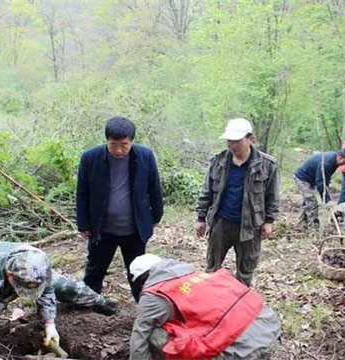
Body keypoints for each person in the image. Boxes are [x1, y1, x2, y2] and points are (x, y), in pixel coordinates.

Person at [128, 254, 281, 360]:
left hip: (241, 352)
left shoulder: (155, 294)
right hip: (269, 329)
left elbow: (139, 337)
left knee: (153, 334)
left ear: (142, 279)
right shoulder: (195, 274)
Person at [76, 117, 164, 301]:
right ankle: (89, 303)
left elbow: (154, 187)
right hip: (101, 229)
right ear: (106, 140)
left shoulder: (145, 156)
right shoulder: (90, 158)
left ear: (132, 141)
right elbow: (82, 192)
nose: (118, 150)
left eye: (124, 145)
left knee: (138, 270)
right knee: (95, 269)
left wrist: (156, 216)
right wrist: (83, 223)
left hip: (134, 229)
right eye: (113, 144)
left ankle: (144, 305)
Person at [0, 242, 118, 360]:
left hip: (24, 269)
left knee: (70, 288)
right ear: (10, 274)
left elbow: (46, 291)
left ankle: (101, 302)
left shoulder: (39, 263)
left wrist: (49, 324)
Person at [195, 118, 280, 287]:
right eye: (229, 141)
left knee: (245, 272)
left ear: (251, 139)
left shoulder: (267, 165)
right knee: (212, 268)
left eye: (237, 141)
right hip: (221, 223)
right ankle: (209, 304)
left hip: (250, 227)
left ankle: (239, 306)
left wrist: (269, 221)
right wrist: (201, 218)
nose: (232, 146)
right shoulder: (218, 161)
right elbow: (207, 191)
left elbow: (272, 196)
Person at [293, 148, 345, 229]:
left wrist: (327, 195)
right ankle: (313, 228)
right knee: (312, 202)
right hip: (302, 179)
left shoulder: (334, 159)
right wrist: (327, 200)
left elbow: (326, 178)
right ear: (340, 157)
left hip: (311, 179)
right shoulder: (327, 163)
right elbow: (320, 182)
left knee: (308, 201)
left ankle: (301, 223)